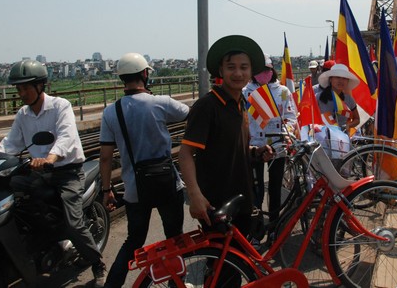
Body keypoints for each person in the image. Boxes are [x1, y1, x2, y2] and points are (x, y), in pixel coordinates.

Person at [0, 60, 106, 287]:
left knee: (73, 223)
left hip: (67, 172)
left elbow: (66, 136)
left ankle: (97, 262)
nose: (21, 93)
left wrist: (51, 158)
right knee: (13, 199)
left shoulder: (60, 106)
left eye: (25, 88)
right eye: (19, 89)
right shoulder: (23, 114)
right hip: (39, 173)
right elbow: (10, 144)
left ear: (40, 86)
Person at [98, 53, 189, 288]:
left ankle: (112, 285)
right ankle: (176, 283)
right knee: (175, 239)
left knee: (133, 241)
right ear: (145, 74)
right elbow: (192, 115)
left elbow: (105, 157)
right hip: (168, 184)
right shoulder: (161, 102)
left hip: (134, 189)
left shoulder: (111, 112)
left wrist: (107, 190)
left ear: (122, 78)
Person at [179, 35, 273, 242]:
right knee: (222, 259)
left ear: (251, 71)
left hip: (241, 199)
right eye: (231, 67)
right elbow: (185, 153)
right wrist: (194, 195)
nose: (238, 73)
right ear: (221, 71)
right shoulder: (207, 106)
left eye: (244, 67)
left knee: (237, 257)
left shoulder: (241, 103)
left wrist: (255, 152)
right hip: (217, 204)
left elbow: (231, 147)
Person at [242, 54, 298, 226]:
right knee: (256, 190)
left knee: (275, 188)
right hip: (254, 147)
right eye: (259, 70)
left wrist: (287, 133)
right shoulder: (245, 92)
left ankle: (274, 224)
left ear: (272, 70)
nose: (263, 73)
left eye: (266, 69)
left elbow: (291, 116)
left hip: (278, 146)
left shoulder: (283, 91)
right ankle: (257, 226)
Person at [316, 63, 361, 132]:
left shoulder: (349, 99)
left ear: (347, 81)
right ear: (330, 79)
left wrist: (348, 125)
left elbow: (357, 119)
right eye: (337, 77)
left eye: (344, 78)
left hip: (343, 136)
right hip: (323, 135)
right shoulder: (318, 97)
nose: (341, 81)